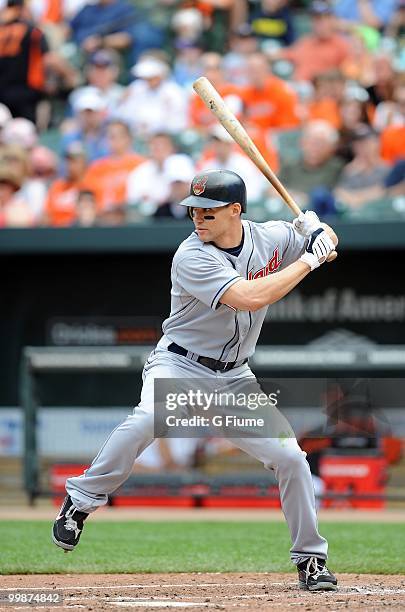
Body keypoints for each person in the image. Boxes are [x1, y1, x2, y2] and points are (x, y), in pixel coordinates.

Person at [52, 168, 339, 592]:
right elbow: (249, 297)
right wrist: (310, 258)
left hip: (234, 380)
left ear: (235, 211)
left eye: (208, 210)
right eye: (194, 209)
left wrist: (318, 231)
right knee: (147, 419)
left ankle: (310, 560)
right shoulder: (191, 255)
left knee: (292, 459)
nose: (197, 217)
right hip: (180, 367)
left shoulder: (272, 236)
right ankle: (80, 501)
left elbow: (329, 242)